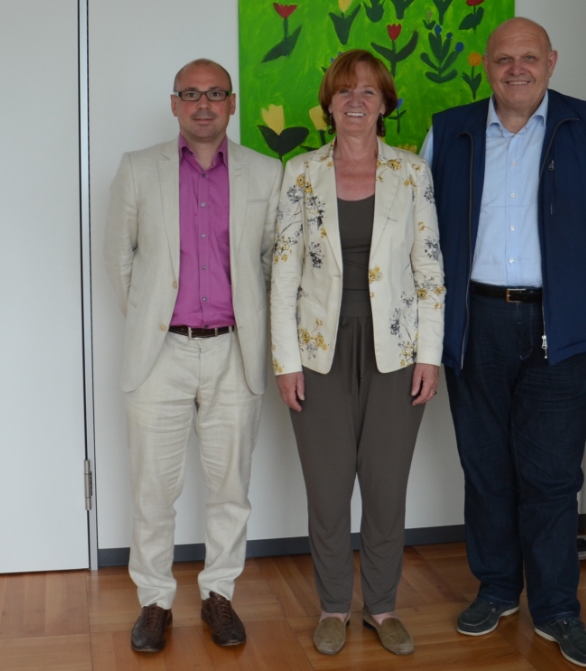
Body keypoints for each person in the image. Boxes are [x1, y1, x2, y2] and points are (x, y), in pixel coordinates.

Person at [420, 18, 586, 668]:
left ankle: (556, 609)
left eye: (529, 57)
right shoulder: (450, 131)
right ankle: (497, 589)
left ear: (551, 61)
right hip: (475, 324)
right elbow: (420, 236)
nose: (516, 69)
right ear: (485, 64)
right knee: (485, 468)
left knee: (551, 476)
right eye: (504, 59)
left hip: (564, 326)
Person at [270, 50, 445, 656]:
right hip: (318, 351)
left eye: (368, 92)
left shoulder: (412, 172)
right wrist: (285, 362)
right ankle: (333, 608)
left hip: (396, 350)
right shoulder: (300, 172)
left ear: (384, 104)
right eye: (345, 90)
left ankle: (383, 606)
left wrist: (430, 356)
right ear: (329, 103)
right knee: (326, 489)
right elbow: (282, 275)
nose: (355, 101)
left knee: (386, 487)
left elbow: (430, 270)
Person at [104, 58, 282, 653]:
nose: (203, 104)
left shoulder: (265, 172)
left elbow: (269, 261)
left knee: (231, 487)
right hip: (160, 353)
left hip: (234, 350)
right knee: (153, 490)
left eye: (214, 93)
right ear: (175, 103)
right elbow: (120, 258)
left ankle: (218, 595)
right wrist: (154, 322)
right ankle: (155, 601)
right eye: (190, 94)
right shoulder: (138, 169)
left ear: (231, 103)